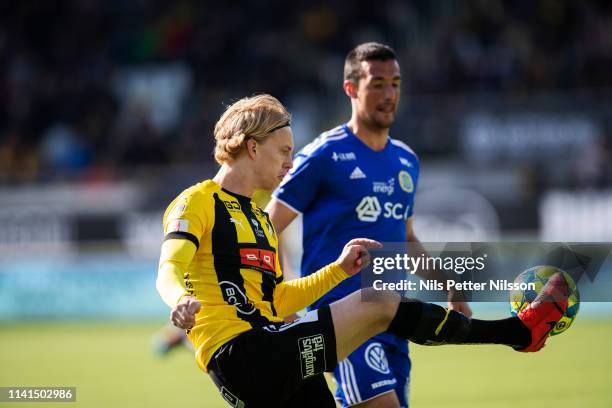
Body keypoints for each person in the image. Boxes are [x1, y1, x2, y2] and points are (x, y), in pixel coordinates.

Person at [156, 94, 570, 408]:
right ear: (251, 148)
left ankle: (518, 334)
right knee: (379, 303)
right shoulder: (197, 202)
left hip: (270, 347)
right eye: (284, 152)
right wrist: (180, 299)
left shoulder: (261, 221)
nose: (289, 163)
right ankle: (516, 333)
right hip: (241, 353)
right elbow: (167, 269)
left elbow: (278, 299)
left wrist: (337, 270)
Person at [265, 42, 471, 407]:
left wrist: (450, 286)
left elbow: (406, 239)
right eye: (377, 83)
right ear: (351, 88)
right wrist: (284, 299)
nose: (389, 93)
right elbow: (265, 227)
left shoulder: (407, 160)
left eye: (395, 83)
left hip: (394, 318)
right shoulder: (324, 155)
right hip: (344, 321)